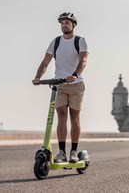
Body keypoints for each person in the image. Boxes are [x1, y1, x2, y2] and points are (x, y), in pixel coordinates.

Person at [32, 12, 88, 163]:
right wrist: (38, 77)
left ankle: (74, 152)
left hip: (76, 85)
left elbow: (83, 60)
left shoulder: (80, 41)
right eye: (62, 23)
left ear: (73, 25)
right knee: (61, 117)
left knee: (74, 117)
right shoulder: (56, 42)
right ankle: (62, 152)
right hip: (60, 85)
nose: (64, 25)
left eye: (67, 23)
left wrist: (75, 75)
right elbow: (45, 62)